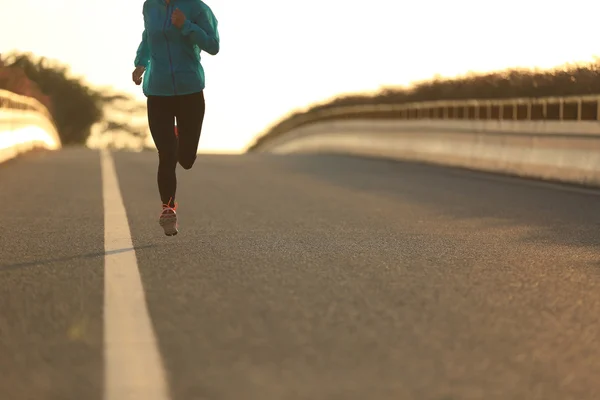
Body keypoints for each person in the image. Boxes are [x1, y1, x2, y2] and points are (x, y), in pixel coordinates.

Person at [132, 0, 220, 236]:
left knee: (186, 159)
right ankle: (168, 209)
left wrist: (186, 25)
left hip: (189, 91)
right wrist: (140, 64)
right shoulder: (150, 6)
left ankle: (179, 138)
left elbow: (213, 45)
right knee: (166, 153)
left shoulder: (196, 8)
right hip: (158, 91)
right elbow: (147, 37)